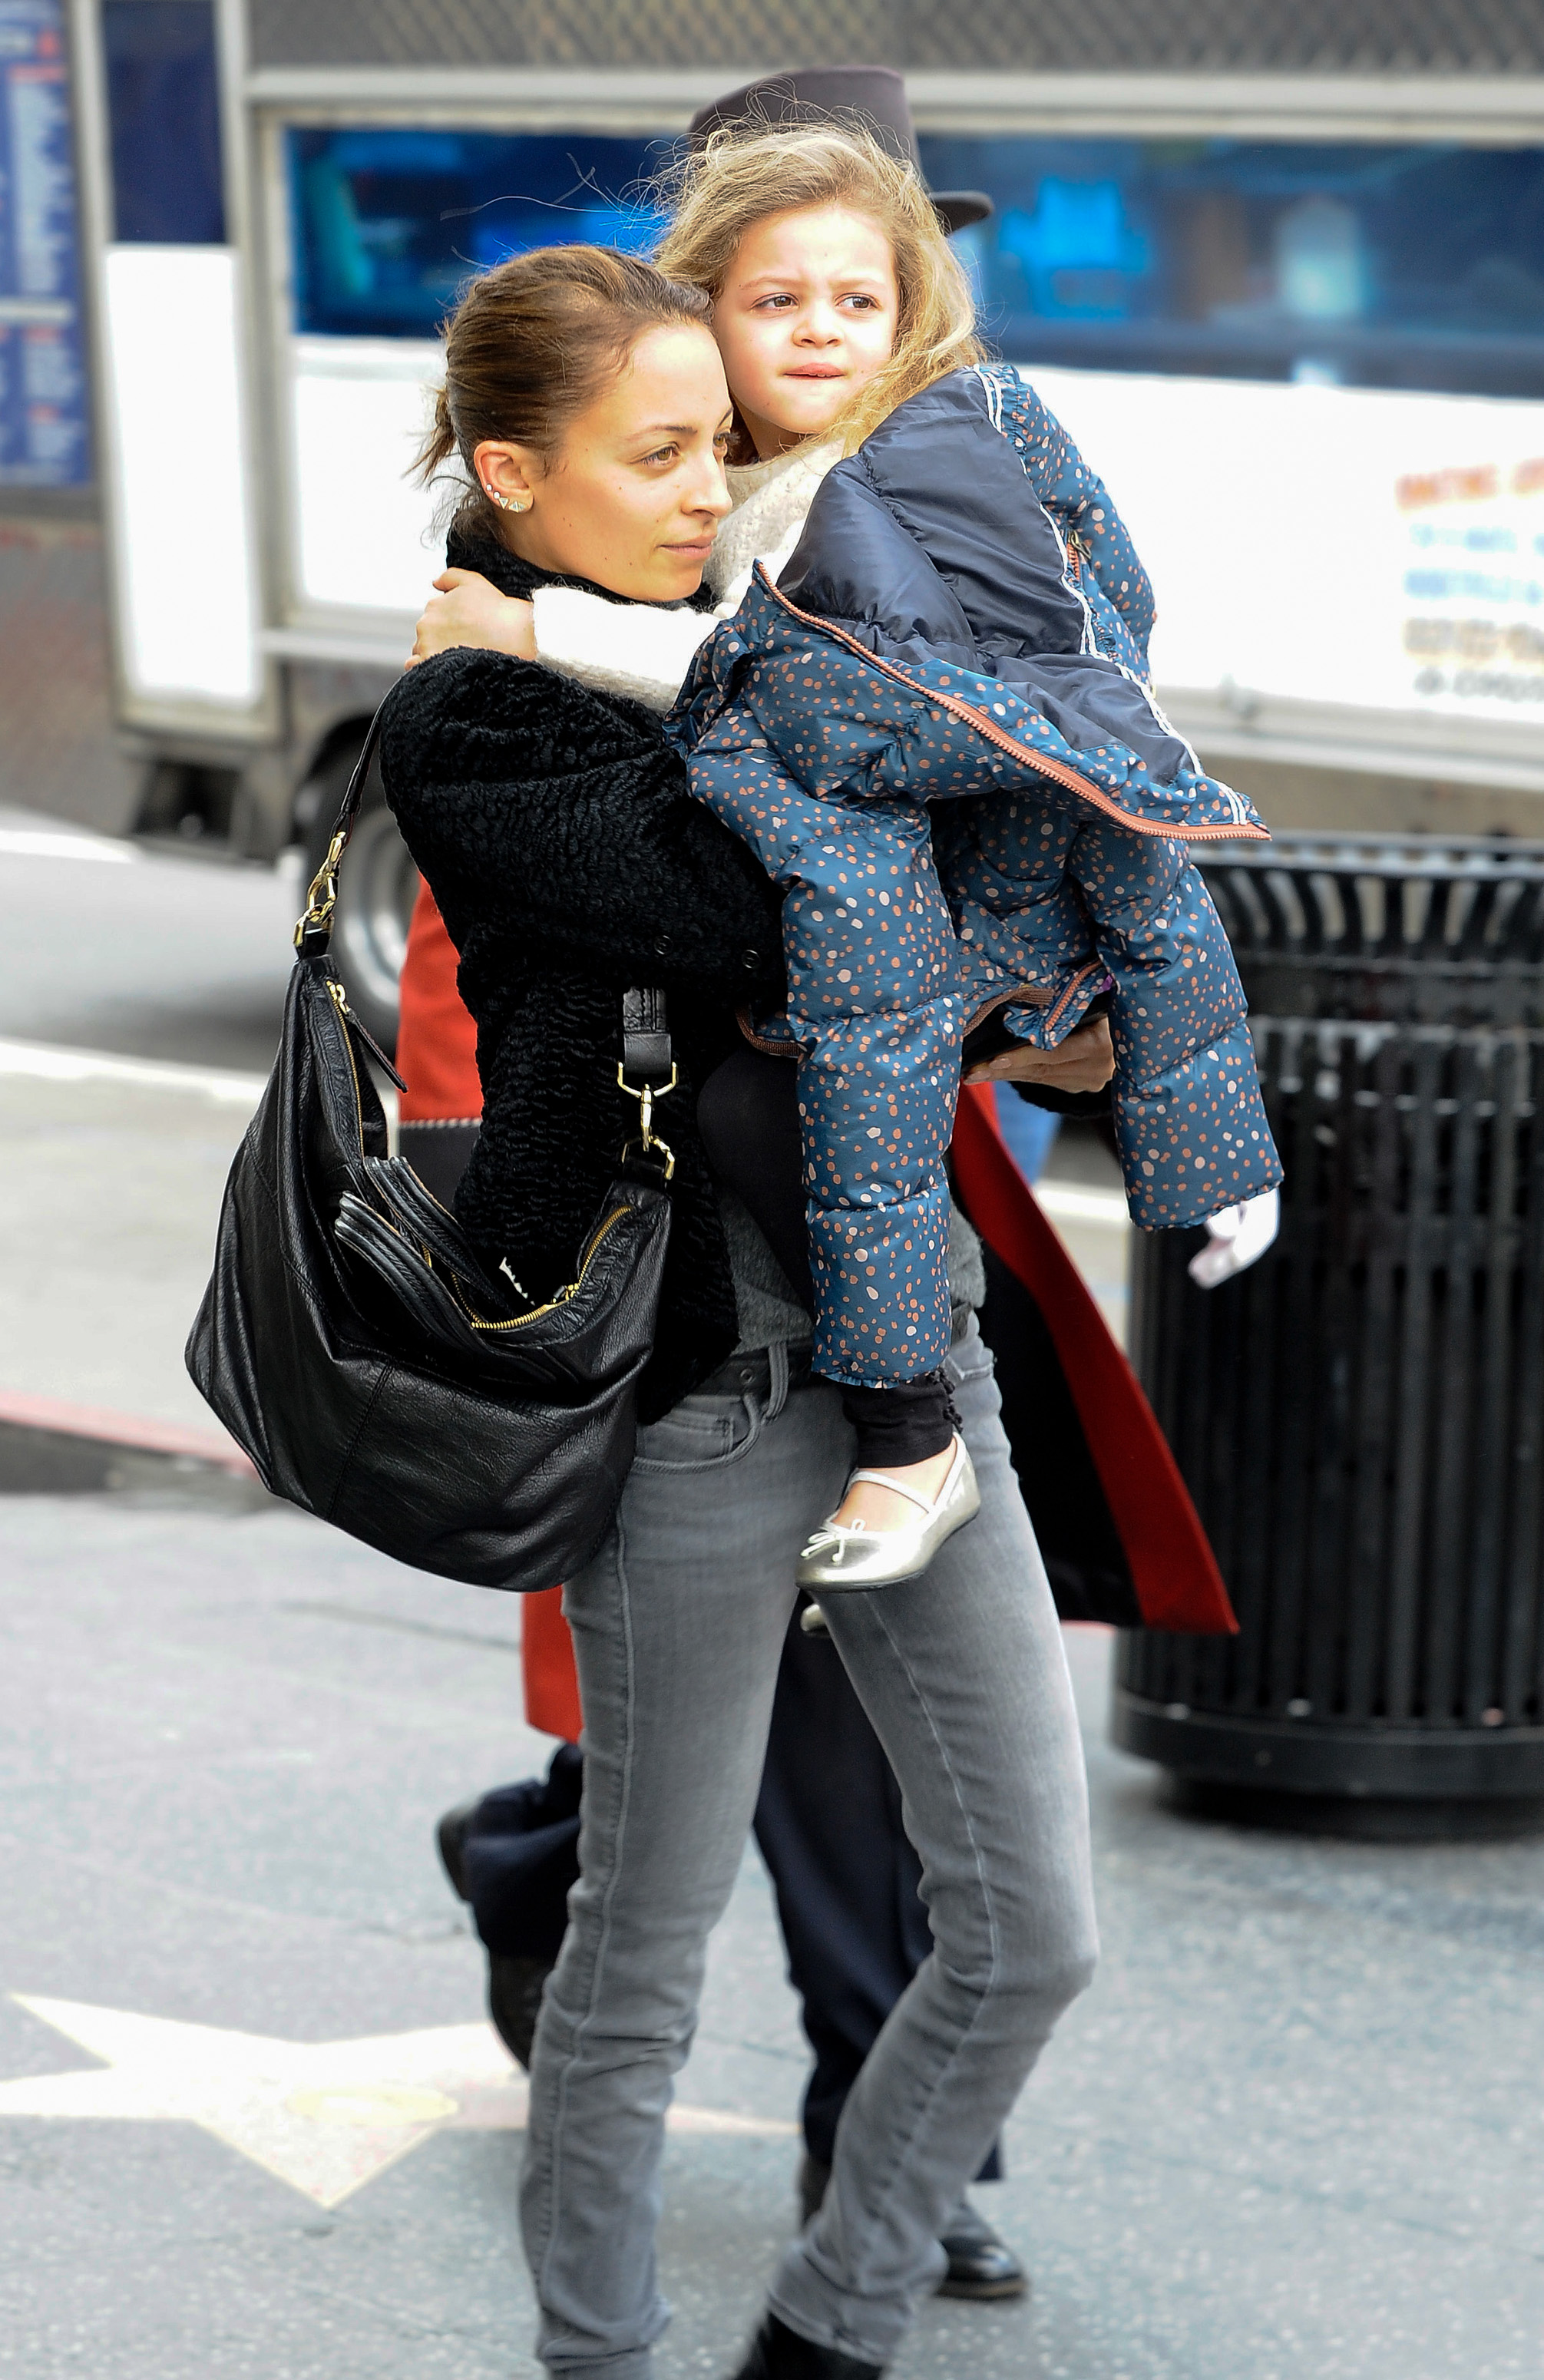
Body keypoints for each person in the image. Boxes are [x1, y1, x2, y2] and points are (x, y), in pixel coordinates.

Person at [380, 241, 1100, 2380]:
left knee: (1032, 1933)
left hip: (917, 1358)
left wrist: (1034, 993)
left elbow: (950, 905)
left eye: (725, 447)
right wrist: (962, 858)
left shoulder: (746, 642)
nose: (712, 490)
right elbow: (765, 905)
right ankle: (597, 2354)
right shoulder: (477, 710)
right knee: (642, 1961)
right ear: (515, 473)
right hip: (689, 1391)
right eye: (658, 455)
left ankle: (833, 2320)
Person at [412, 117, 1281, 1601]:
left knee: (972, 1753)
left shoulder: (899, 471)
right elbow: (732, 893)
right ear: (696, 317)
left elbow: (812, 691)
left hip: (859, 1263)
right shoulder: (541, 655)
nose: (820, 331)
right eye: (776, 300)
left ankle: (922, 1421)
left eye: (859, 298)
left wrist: (1030, 1040)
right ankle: (913, 1428)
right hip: (698, 1327)